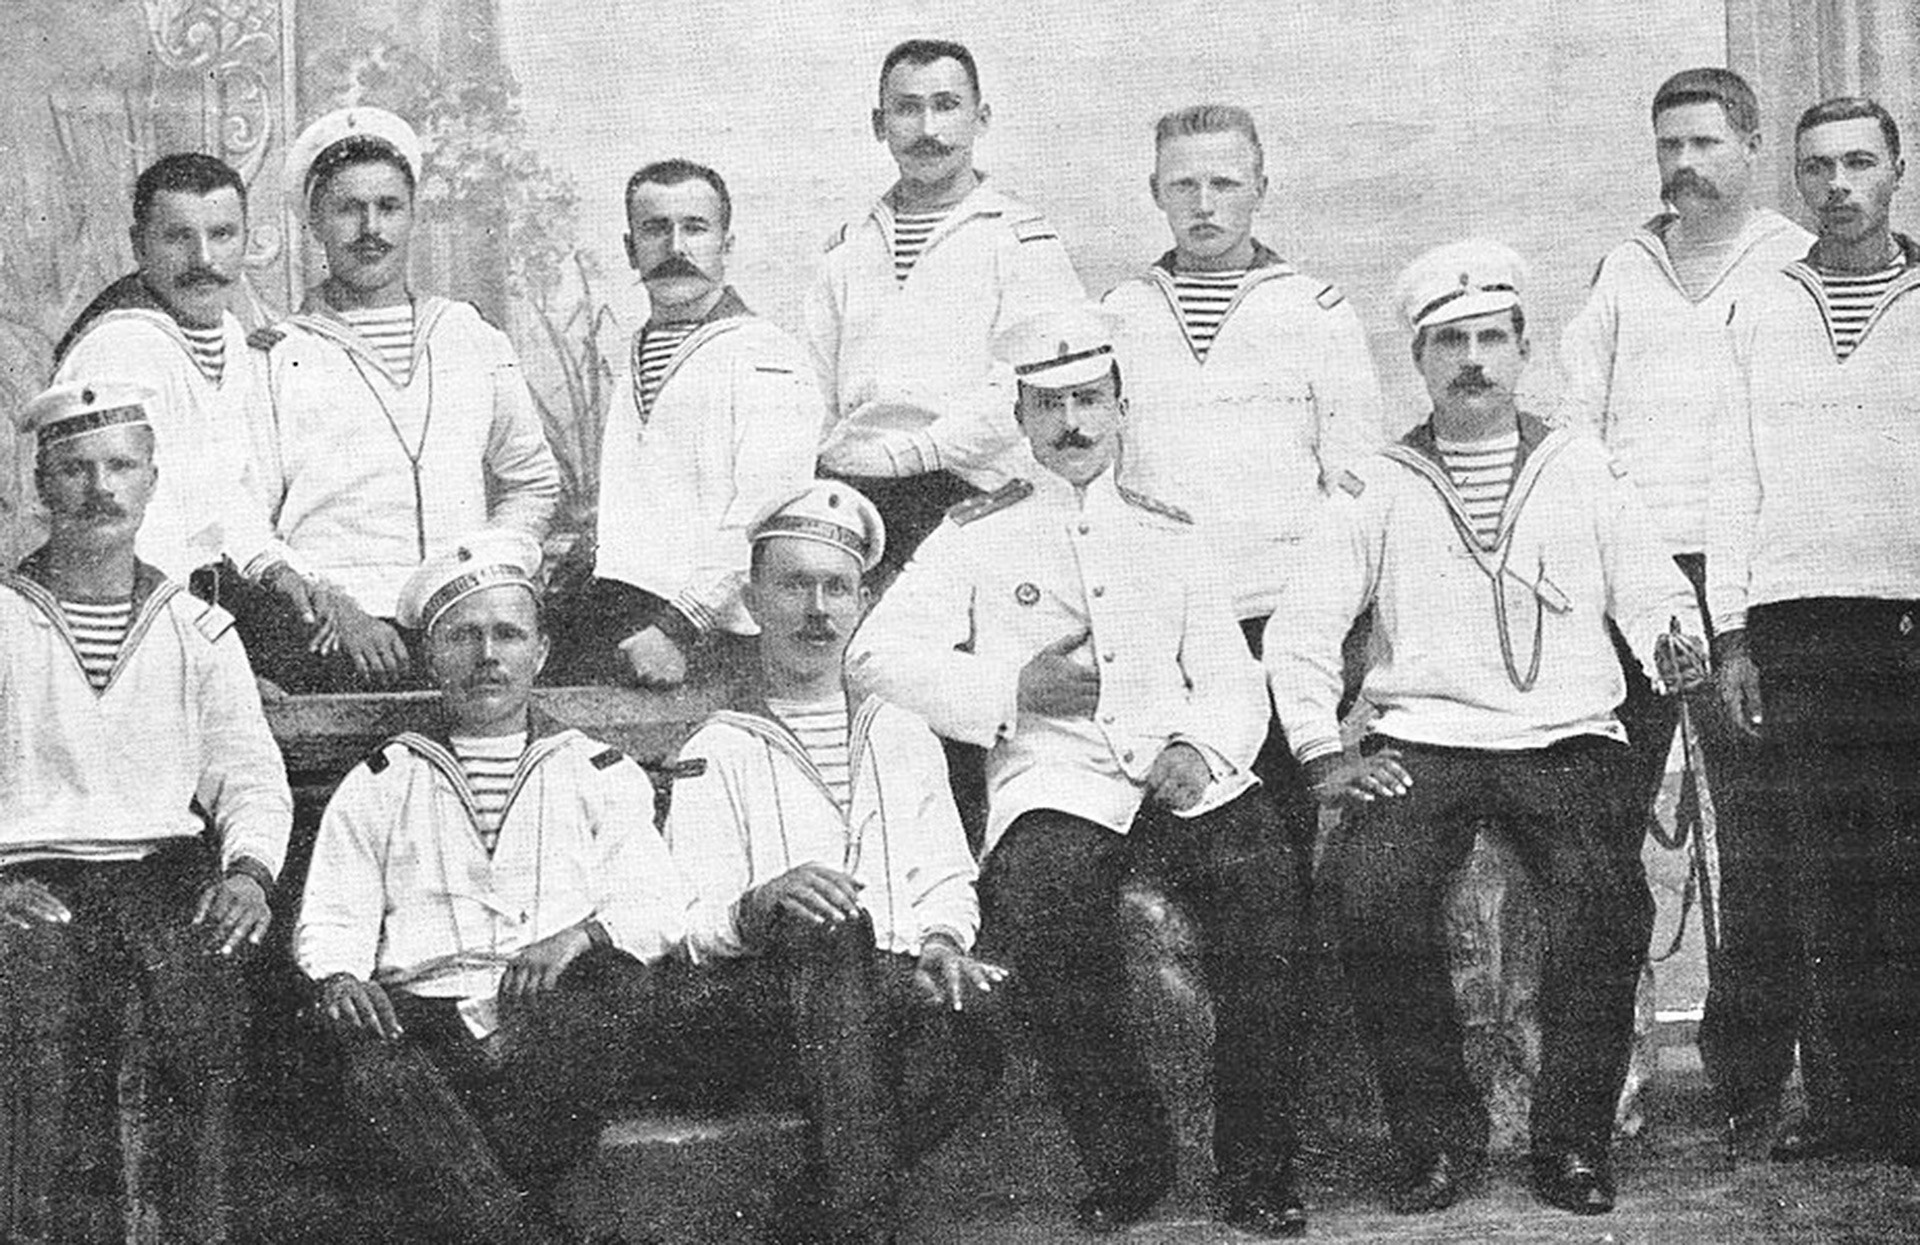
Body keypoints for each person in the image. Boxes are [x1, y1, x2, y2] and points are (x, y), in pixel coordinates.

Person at [1266, 241, 1706, 1217]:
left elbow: (1652, 587)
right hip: (1424, 738)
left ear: (1522, 349)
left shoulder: (1581, 464)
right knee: (1370, 890)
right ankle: (1433, 1140)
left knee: (1607, 901)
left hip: (1567, 737)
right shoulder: (1375, 483)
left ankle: (1573, 1145)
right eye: (1448, 342)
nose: (1472, 359)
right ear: (1418, 361)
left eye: (1490, 339)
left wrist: (1676, 640)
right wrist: (1321, 751)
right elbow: (1300, 632)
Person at [850, 307, 1308, 1238]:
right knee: (1043, 908)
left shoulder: (1171, 530)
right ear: (1019, 417)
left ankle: (1258, 1166)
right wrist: (1010, 686)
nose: (1071, 424)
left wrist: (1202, 750)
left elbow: (1229, 674)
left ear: (1121, 407)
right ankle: (1128, 1158)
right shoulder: (977, 532)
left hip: (1185, 772)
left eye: (1089, 400)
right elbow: (876, 656)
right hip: (1054, 776)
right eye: (1048, 404)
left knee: (1267, 896)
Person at [295, 530, 684, 1244]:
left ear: (539, 651)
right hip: (427, 1018)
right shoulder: (383, 779)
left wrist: (576, 936)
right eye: (463, 636)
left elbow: (656, 907)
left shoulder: (597, 771)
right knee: (372, 1061)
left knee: (604, 997)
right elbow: (332, 913)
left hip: (548, 1019)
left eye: (508, 634)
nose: (487, 655)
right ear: (432, 653)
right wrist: (341, 975)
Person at [1557, 69, 1812, 1135]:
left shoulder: (1795, 266)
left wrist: (1743, 598)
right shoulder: (1626, 267)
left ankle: (1749, 1076)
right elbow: (1575, 424)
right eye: (1669, 145)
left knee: (1756, 834)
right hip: (1630, 576)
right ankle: (1601, 1075)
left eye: (1706, 143)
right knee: (1599, 825)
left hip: (1745, 577)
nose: (1685, 165)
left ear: (1750, 146)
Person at [656, 481, 1004, 1244]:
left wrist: (943, 942)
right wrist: (763, 900)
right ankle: (861, 1227)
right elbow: (687, 926)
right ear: (753, 600)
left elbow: (947, 876)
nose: (817, 609)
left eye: (836, 587)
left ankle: (820, 1216)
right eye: (793, 584)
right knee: (829, 931)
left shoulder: (902, 733)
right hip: (760, 1009)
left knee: (980, 1011)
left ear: (860, 602)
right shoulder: (718, 746)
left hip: (879, 997)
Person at [0, 380, 292, 1243]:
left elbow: (249, 773)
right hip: (29, 877)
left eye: (121, 467)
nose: (101, 488)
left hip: (161, 876)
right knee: (38, 1015)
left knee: (200, 1006)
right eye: (76, 468)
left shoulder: (197, 628)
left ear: (152, 480)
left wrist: (248, 872)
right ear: (40, 486)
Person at [1709, 96, 1920, 1166]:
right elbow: (1730, 478)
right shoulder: (1761, 308)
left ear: (1896, 167)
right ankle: (1848, 1106)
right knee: (1825, 880)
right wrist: (1734, 635)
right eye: (1818, 169)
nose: (1838, 187)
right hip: (1797, 627)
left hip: (1909, 621)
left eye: (1858, 164)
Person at [1101, 103, 1385, 862]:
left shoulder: (1315, 311)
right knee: (1176, 841)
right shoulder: (1118, 316)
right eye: (1183, 184)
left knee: (1284, 851)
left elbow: (1355, 485)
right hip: (1165, 633)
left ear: (1262, 186)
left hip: (1278, 622)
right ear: (1154, 190)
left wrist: (1329, 626)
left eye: (1225, 182)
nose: (1204, 203)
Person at [245, 106, 561, 691]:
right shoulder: (274, 355)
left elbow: (533, 483)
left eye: (388, 207)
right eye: (348, 209)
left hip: (464, 632)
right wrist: (330, 603)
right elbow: (244, 516)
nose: (371, 229)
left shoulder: (470, 335)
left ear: (413, 214)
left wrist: (483, 575)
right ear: (314, 221)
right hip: (332, 633)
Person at [805, 38, 1084, 577]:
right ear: (878, 124)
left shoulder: (1022, 240)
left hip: (980, 492)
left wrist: (912, 454)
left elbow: (1032, 388)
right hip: (855, 493)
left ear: (980, 118)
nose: (928, 129)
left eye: (946, 106)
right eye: (907, 109)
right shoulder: (846, 249)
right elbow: (816, 395)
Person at [548, 158, 822, 688]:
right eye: (656, 229)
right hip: (622, 620)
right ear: (631, 249)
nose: (676, 248)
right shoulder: (640, 347)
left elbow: (764, 518)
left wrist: (678, 628)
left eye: (695, 228)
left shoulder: (765, 354)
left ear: (727, 244)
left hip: (710, 638)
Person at [50, 152, 316, 618]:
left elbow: (224, 494)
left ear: (245, 240)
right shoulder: (121, 346)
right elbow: (117, 530)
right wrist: (204, 657)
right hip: (131, 613)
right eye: (178, 237)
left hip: (200, 596)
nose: (204, 260)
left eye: (221, 235)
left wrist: (275, 569)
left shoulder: (229, 336)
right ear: (139, 245)